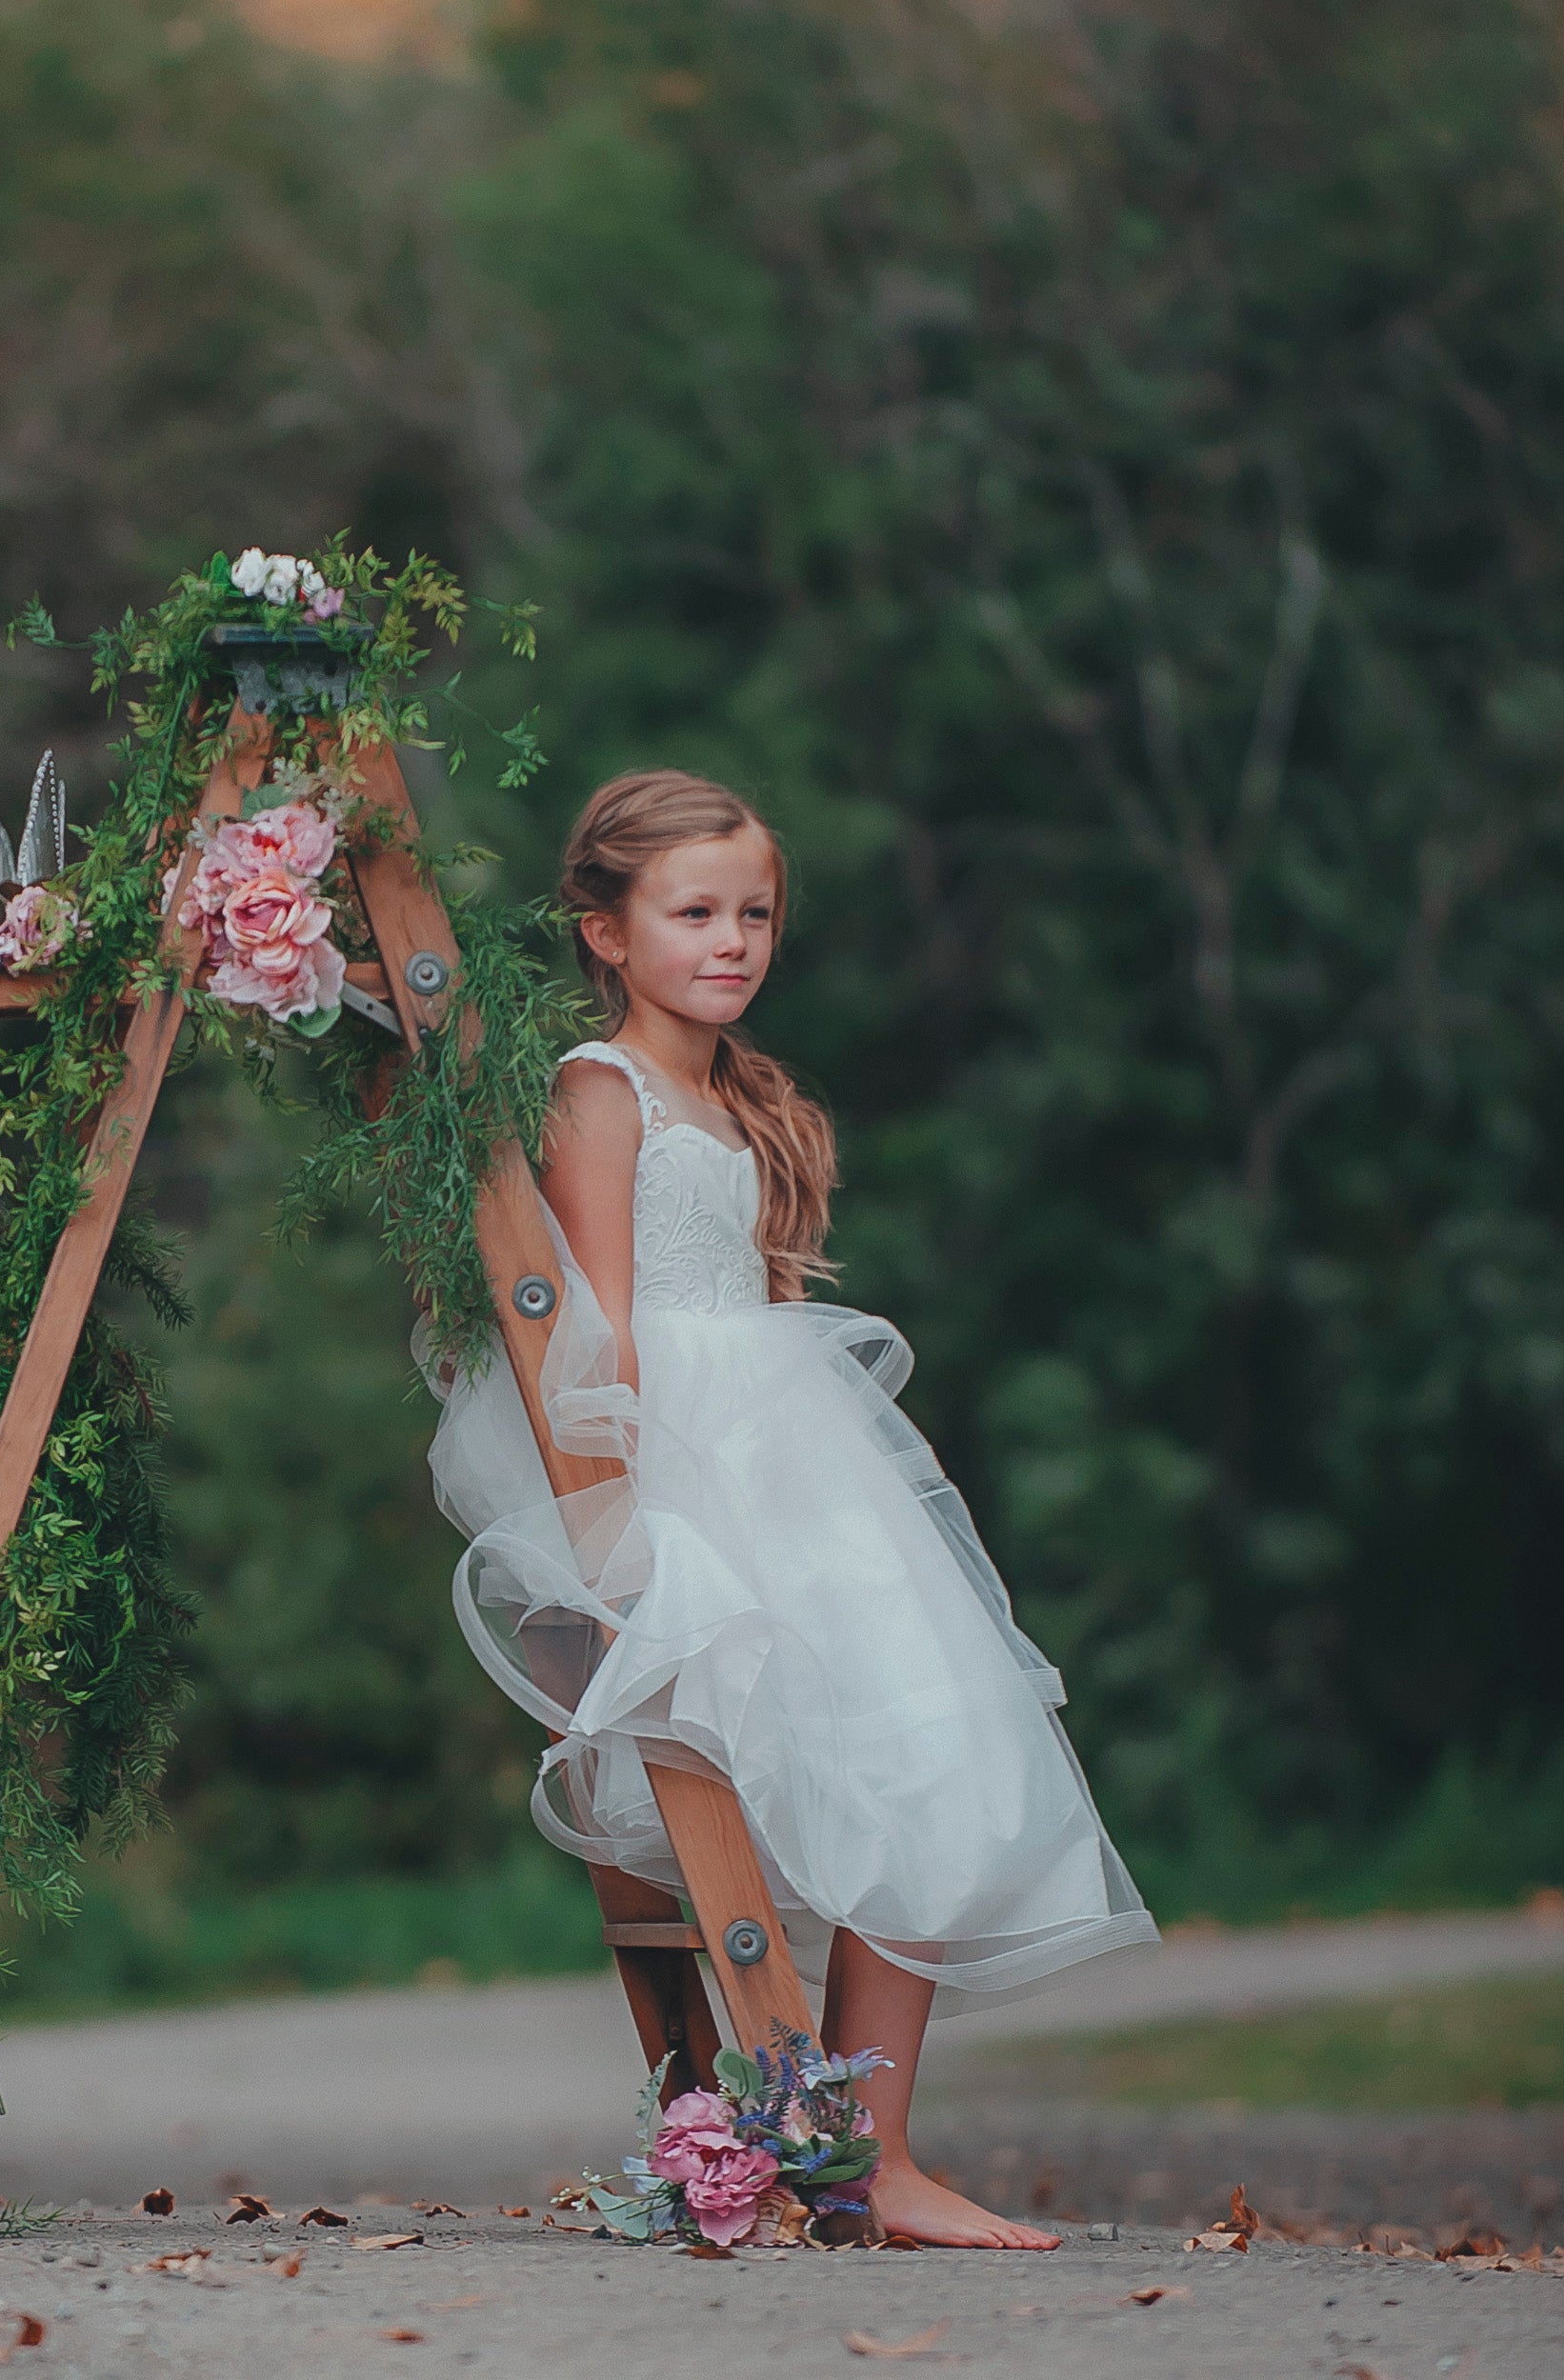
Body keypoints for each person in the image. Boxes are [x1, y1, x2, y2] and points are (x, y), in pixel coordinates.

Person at [429, 769, 1156, 2250]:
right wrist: (618, 1543)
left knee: (936, 1744)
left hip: (798, 1459)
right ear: (607, 932)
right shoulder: (599, 1086)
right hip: (695, 1469)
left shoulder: (738, 1094)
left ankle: (875, 2148)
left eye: (756, 911)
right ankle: (842, 2148)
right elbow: (598, 1328)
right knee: (838, 1754)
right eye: (694, 910)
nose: (735, 938)